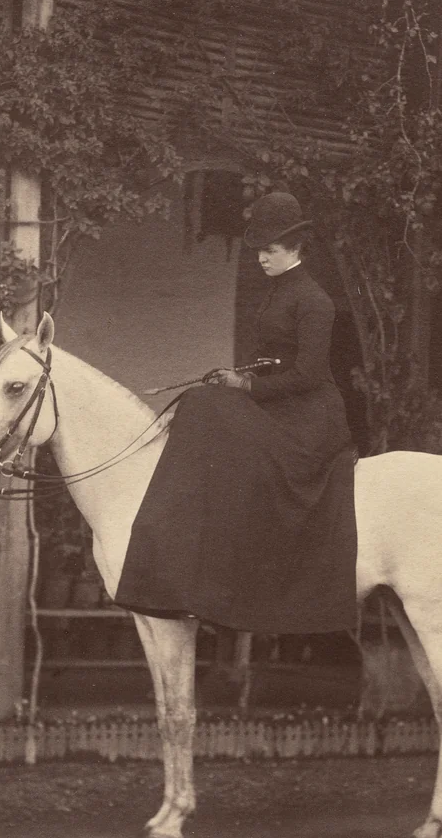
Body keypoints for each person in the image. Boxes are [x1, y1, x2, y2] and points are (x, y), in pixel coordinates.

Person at [115, 190, 357, 637]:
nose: (262, 258)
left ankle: (211, 571)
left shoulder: (314, 301)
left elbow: (309, 374)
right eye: (260, 250)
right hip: (277, 403)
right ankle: (185, 561)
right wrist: (238, 374)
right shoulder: (279, 291)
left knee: (205, 409)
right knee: (202, 403)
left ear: (295, 249)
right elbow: (274, 359)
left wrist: (246, 385)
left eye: (271, 250)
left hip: (309, 418)